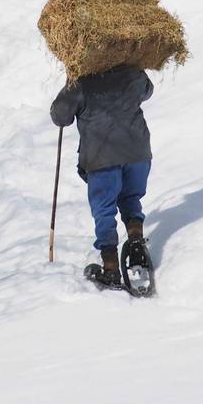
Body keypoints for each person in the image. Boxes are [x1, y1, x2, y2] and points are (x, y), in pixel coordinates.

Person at [50, 64, 154, 286]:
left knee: (104, 208)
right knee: (130, 198)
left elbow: (60, 116)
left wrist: (70, 82)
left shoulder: (81, 83)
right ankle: (136, 240)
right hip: (138, 152)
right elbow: (147, 89)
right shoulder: (133, 73)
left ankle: (110, 267)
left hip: (101, 157)